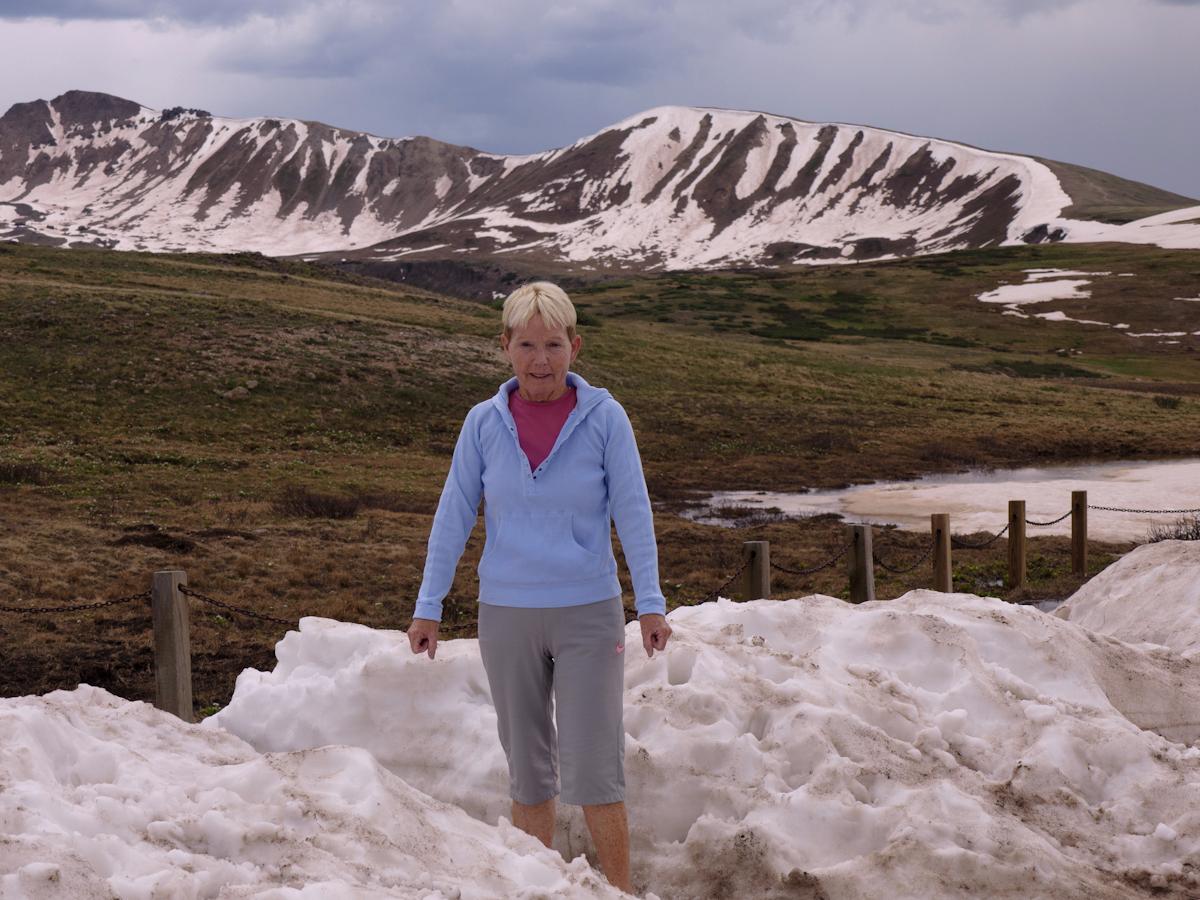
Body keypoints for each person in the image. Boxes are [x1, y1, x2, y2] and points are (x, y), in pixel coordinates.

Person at [407, 281, 671, 894]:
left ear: (575, 346)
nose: (540, 360)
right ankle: (537, 889)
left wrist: (650, 603)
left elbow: (634, 512)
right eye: (526, 345)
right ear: (505, 346)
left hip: (588, 612)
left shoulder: (605, 419)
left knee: (596, 769)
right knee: (527, 773)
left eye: (553, 344)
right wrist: (428, 607)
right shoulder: (482, 424)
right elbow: (453, 516)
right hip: (507, 613)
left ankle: (621, 890)